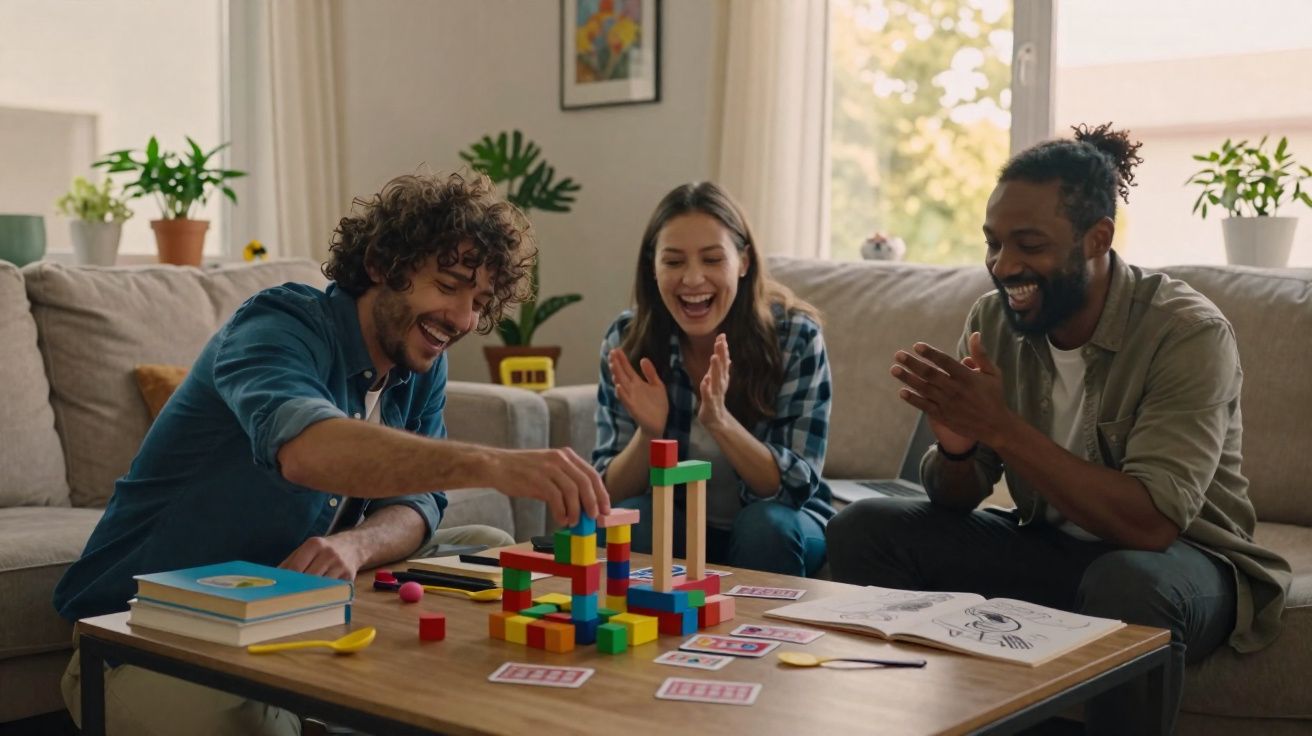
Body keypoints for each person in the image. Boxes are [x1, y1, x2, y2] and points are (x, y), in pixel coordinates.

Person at [53, 172, 610, 735]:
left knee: (487, 552)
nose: (464, 320)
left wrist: (354, 543)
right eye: (447, 286)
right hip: (146, 636)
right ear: (380, 264)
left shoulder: (421, 364)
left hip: (286, 611)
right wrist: (491, 464)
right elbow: (307, 448)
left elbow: (419, 502)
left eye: (479, 301)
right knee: (266, 725)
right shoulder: (276, 326)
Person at [825, 124, 1291, 734]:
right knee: (868, 527)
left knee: (1127, 584)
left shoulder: (1186, 334)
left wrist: (1002, 426)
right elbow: (957, 495)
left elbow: (1150, 525)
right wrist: (958, 448)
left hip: (1188, 565)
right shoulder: (994, 319)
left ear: (1098, 238)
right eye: (993, 243)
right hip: (1053, 549)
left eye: (1029, 244)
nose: (1003, 265)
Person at [593, 182, 833, 577]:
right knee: (635, 518)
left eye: (711, 259)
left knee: (765, 526)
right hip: (682, 524)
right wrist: (649, 434)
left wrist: (719, 420)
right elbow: (610, 493)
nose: (692, 279)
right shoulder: (627, 341)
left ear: (743, 261)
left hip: (782, 523)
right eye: (673, 262)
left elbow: (793, 488)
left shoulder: (795, 337)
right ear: (652, 268)